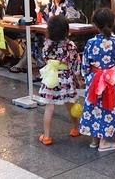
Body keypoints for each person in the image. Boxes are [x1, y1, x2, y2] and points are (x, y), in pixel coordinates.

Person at [79, 8, 115, 152]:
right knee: (108, 108)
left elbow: (85, 64)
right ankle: (104, 141)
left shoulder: (91, 42)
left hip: (95, 79)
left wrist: (88, 78)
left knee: (94, 107)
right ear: (113, 23)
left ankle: (95, 140)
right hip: (111, 79)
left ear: (95, 24)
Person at [37, 15, 82, 145]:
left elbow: (44, 59)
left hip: (52, 78)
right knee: (70, 105)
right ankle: (75, 128)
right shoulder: (70, 45)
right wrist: (77, 78)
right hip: (66, 79)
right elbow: (75, 64)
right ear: (66, 31)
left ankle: (46, 136)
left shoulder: (47, 44)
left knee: (49, 106)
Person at [4, 0, 36, 69]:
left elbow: (30, 14)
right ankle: (12, 55)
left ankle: (17, 57)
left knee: (9, 34)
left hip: (23, 27)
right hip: (11, 25)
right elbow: (8, 12)